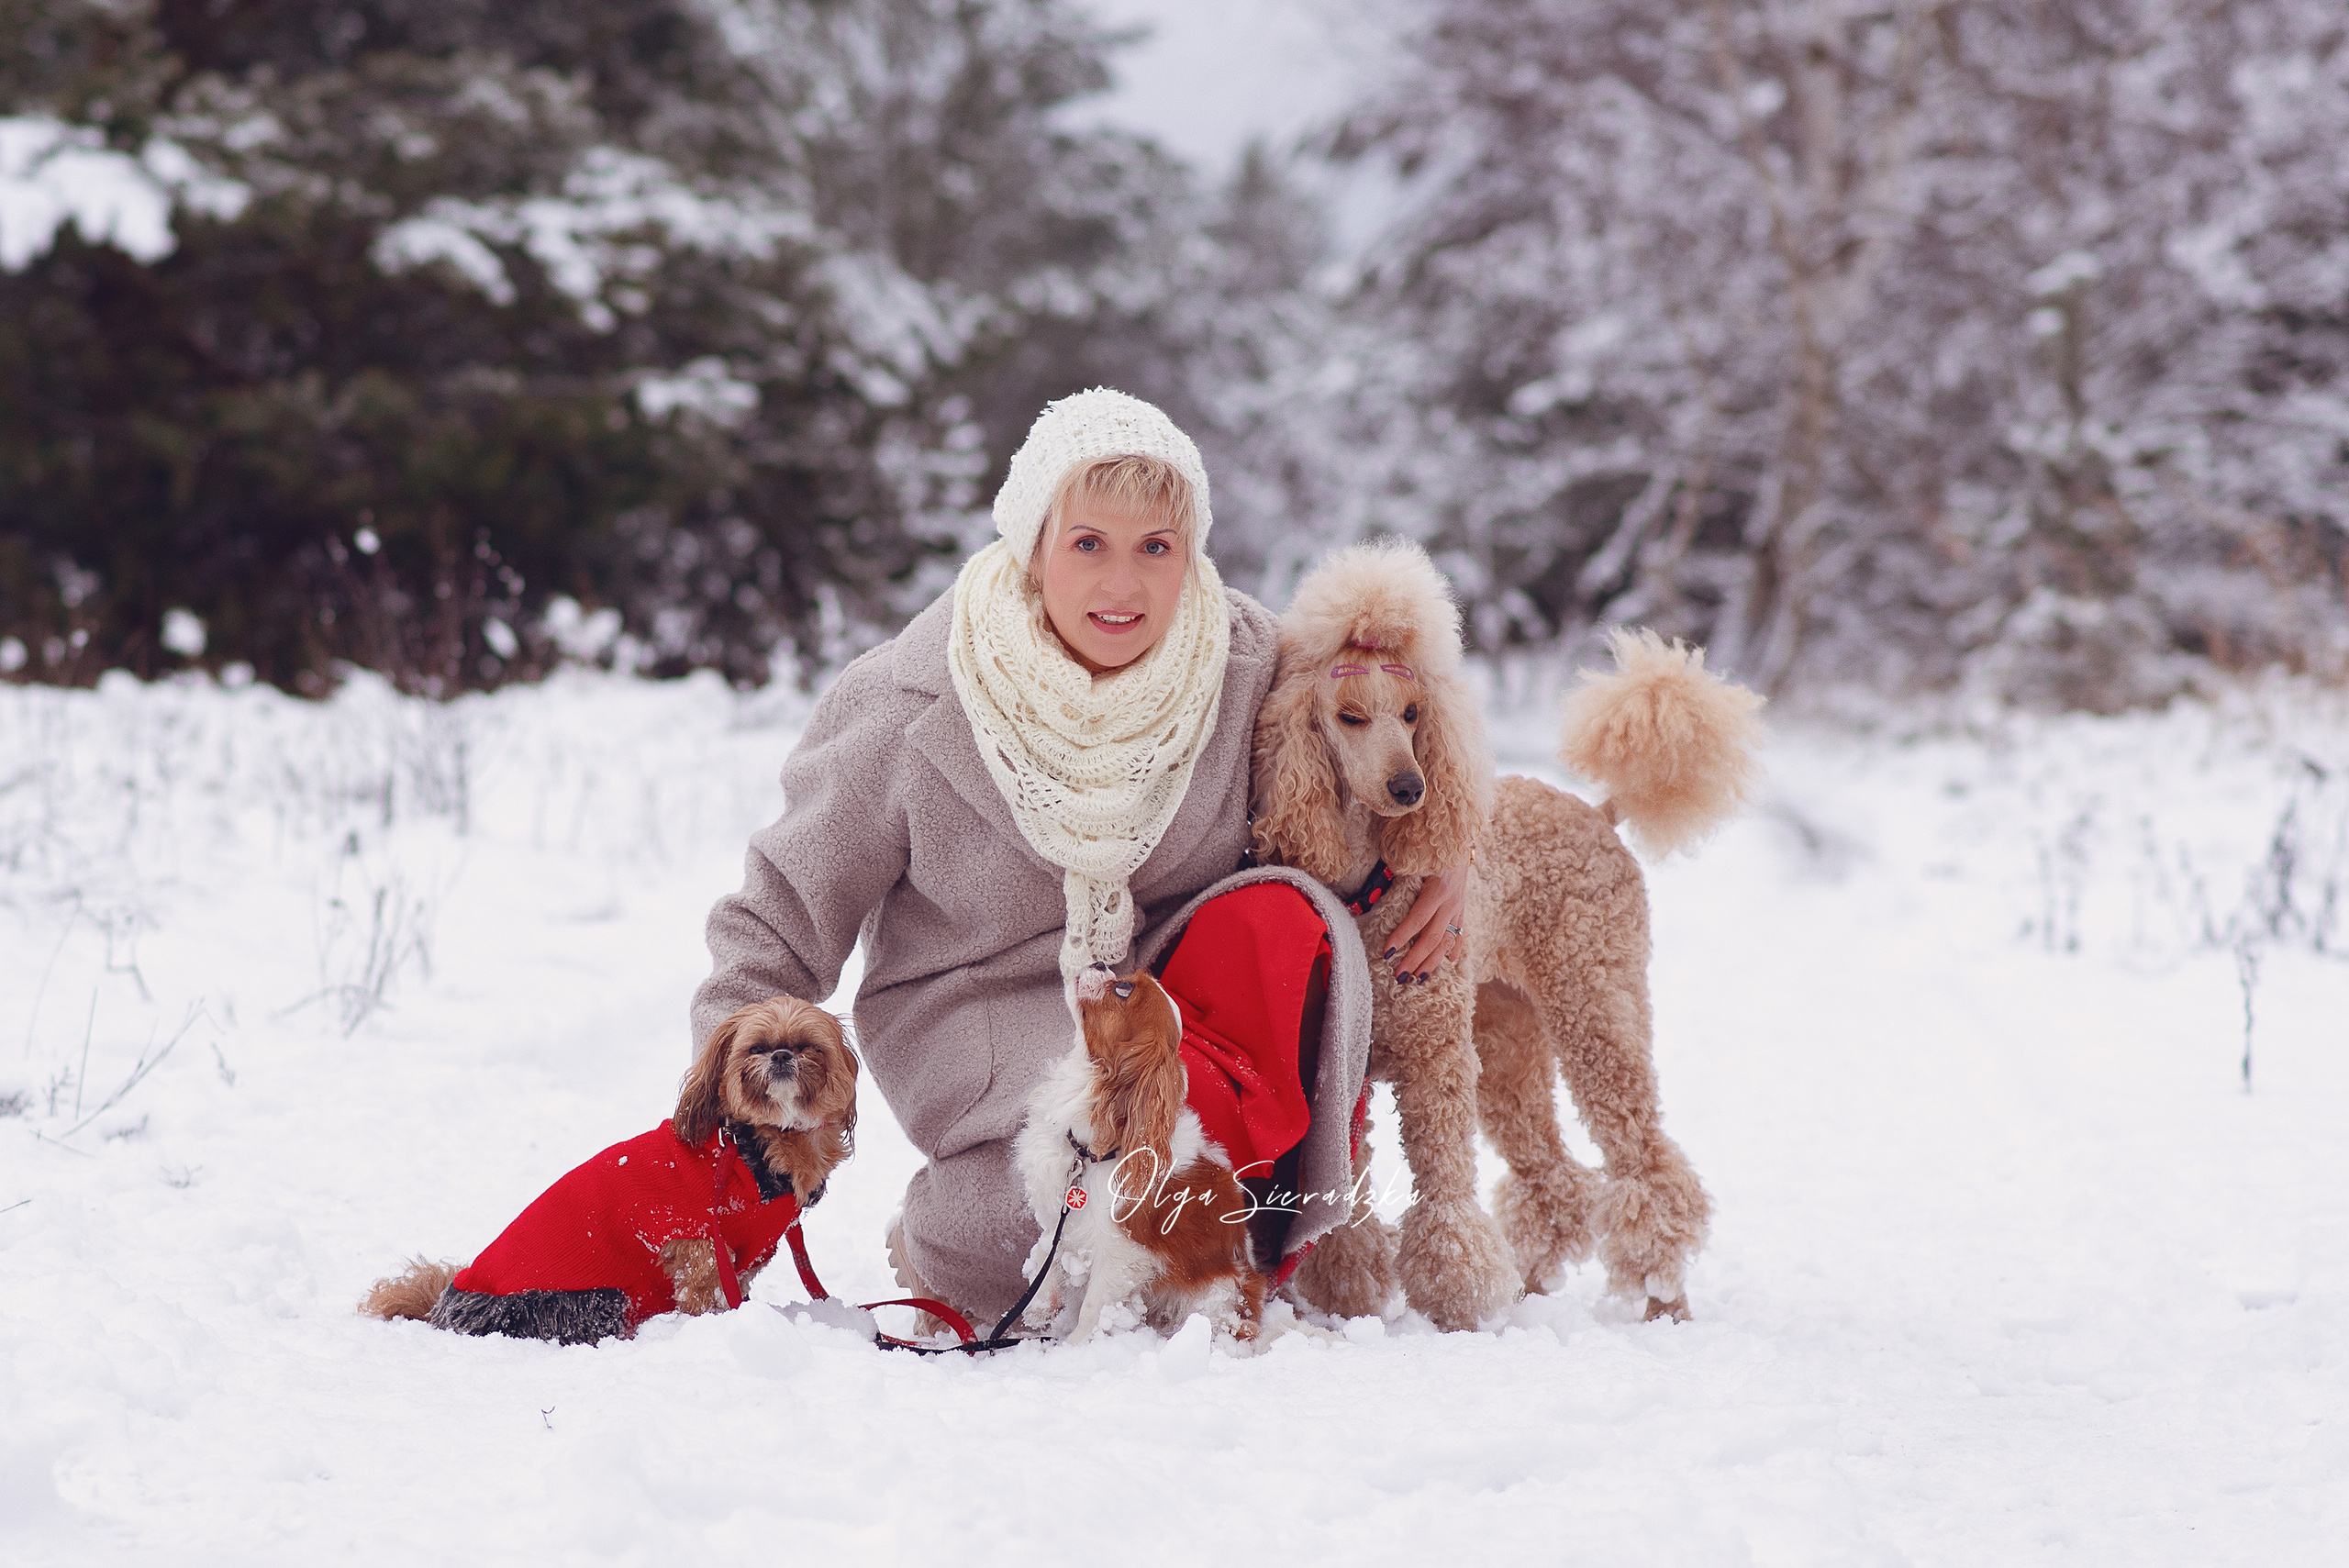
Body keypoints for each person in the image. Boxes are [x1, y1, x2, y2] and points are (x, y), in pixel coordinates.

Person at [690, 388, 1466, 1322]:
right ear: (1035, 543)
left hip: (1178, 1009)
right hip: (986, 1007)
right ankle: (961, 1226)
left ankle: (1228, 1218)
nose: (1123, 586)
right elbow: (777, 916)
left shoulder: (1253, 662)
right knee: (1049, 1222)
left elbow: (1402, 714)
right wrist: (719, 1115)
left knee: (1281, 931)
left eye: (1156, 548)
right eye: (1088, 543)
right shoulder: (908, 700)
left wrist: (1453, 851)